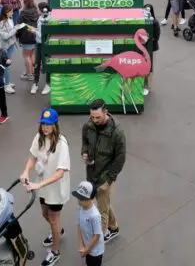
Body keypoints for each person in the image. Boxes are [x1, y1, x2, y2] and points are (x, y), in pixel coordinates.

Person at [20, 108, 71, 266]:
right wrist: (26, 172)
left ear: (55, 125)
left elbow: (60, 173)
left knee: (54, 219)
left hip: (56, 190)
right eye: (43, 124)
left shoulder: (62, 144)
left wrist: (38, 184)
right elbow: (32, 157)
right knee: (44, 214)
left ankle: (55, 252)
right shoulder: (39, 138)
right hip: (43, 186)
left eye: (48, 124)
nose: (45, 127)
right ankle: (57, 231)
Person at [81, 100, 126, 243]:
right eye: (92, 117)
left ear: (106, 112)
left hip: (105, 176)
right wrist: (84, 153)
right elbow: (85, 142)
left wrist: (109, 180)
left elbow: (120, 158)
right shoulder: (88, 125)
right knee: (103, 202)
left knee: (102, 212)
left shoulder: (117, 132)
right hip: (91, 172)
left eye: (98, 117)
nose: (94, 120)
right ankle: (114, 228)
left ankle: (97, 242)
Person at [73, 181, 105, 266]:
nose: (79, 201)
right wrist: (81, 246)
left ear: (91, 198)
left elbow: (96, 236)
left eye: (82, 199)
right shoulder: (80, 208)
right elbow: (79, 225)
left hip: (95, 251)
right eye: (78, 198)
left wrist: (86, 250)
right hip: (87, 246)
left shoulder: (94, 215)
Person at [0, 4, 26, 94]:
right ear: (6, 12)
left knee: (7, 66)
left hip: (11, 45)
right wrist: (15, 29)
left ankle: (7, 81)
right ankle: (6, 85)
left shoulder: (10, 20)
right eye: (10, 11)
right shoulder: (2, 23)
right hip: (6, 47)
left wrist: (16, 28)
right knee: (6, 66)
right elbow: (5, 36)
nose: (12, 13)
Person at [18, 0, 39, 82]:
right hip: (35, 35)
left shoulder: (23, 13)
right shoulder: (36, 12)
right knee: (32, 55)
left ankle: (29, 74)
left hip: (26, 37)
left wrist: (18, 36)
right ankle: (32, 71)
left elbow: (19, 26)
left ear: (25, 3)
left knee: (26, 56)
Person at [32, 1, 50, 95]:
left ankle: (48, 84)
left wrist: (35, 32)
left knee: (46, 63)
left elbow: (45, 34)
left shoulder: (48, 18)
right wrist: (35, 30)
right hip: (38, 44)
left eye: (38, 9)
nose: (37, 11)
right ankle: (35, 83)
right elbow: (40, 30)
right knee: (37, 64)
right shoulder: (40, 17)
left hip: (45, 44)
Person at [143, 4, 161, 96]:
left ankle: (147, 86)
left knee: (149, 68)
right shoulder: (141, 21)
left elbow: (156, 37)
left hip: (151, 48)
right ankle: (143, 84)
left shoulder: (155, 22)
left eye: (148, 10)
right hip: (142, 48)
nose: (147, 12)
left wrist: (148, 39)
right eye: (145, 10)